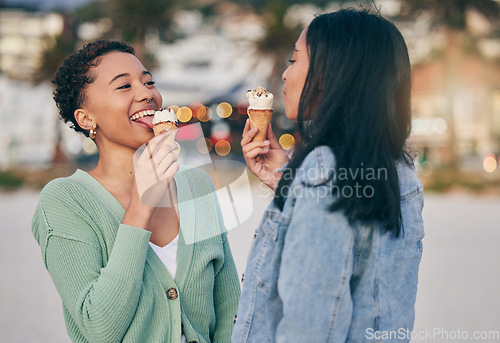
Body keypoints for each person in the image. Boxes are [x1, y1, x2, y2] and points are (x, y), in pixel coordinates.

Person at [233, 9, 424, 343]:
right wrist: (290, 180)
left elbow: (310, 325)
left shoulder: (326, 171)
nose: (284, 75)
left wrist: (310, 180)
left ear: (325, 75)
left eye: (294, 61)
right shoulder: (398, 169)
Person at [31, 40, 240, 343]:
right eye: (123, 87)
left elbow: (229, 308)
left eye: (148, 82)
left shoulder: (197, 186)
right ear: (86, 118)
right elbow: (99, 327)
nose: (147, 94)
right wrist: (142, 206)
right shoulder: (64, 200)